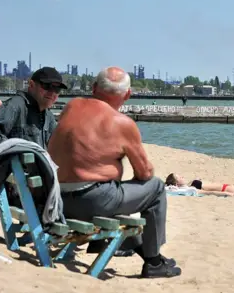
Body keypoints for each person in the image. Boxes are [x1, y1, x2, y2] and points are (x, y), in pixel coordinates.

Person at [47, 66, 181, 279]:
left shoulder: (71, 106)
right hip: (92, 202)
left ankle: (137, 251)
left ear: (93, 88)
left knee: (115, 189)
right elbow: (145, 173)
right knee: (155, 187)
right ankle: (154, 262)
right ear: (127, 94)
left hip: (56, 199)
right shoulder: (122, 124)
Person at [0, 67, 67, 148]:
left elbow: (58, 147)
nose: (52, 92)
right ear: (31, 85)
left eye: (57, 89)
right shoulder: (15, 106)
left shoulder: (49, 117)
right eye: (47, 86)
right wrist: (14, 151)